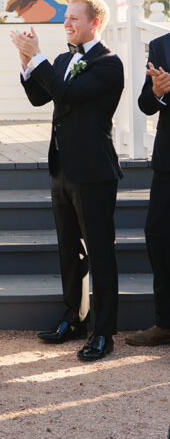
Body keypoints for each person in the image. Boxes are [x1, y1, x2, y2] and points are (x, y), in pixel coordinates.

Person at [11, 0, 124, 362]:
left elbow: (68, 93)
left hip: (93, 172)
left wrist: (39, 57)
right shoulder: (62, 59)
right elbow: (38, 97)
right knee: (68, 249)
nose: (67, 23)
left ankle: (103, 332)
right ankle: (72, 318)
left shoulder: (109, 64)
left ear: (95, 23)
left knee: (100, 252)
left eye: (74, 18)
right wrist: (26, 58)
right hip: (61, 167)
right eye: (67, 17)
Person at [126, 28, 170, 347]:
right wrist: (156, 91)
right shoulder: (160, 46)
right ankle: (165, 323)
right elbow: (145, 105)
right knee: (158, 234)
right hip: (168, 161)